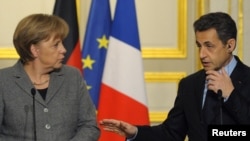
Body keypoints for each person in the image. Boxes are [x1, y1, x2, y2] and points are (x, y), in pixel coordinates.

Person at [99, 12, 250, 141]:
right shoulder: (189, 85)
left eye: (209, 46)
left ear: (230, 45)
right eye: (199, 46)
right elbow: (171, 133)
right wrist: (135, 132)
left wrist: (231, 95)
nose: (202, 54)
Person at [0, 13, 100, 141]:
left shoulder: (72, 77)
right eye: (56, 45)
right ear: (34, 50)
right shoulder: (3, 81)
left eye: (62, 43)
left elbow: (89, 126)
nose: (63, 50)